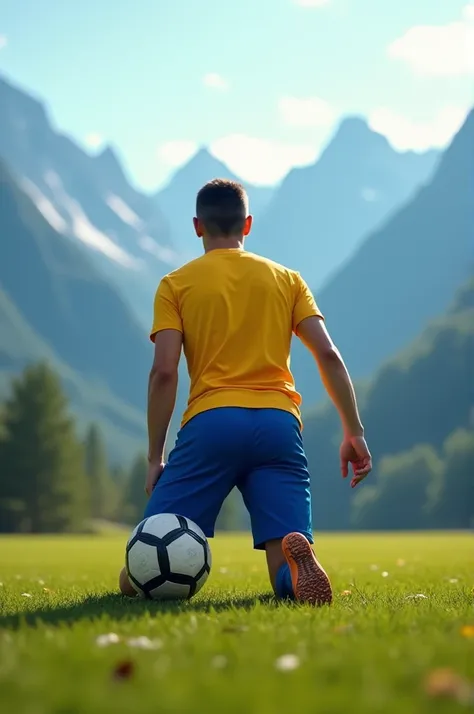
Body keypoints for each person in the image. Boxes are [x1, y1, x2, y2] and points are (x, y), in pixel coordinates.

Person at [119, 178, 372, 605]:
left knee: (139, 568)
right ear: (247, 225)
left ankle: (146, 581)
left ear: (198, 226)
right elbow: (328, 354)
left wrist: (154, 457)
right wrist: (354, 432)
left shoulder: (175, 284)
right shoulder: (287, 280)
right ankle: (294, 572)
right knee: (283, 568)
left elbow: (164, 372)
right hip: (278, 426)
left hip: (212, 424)